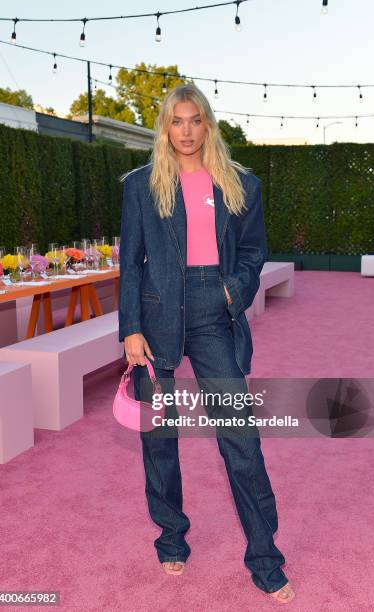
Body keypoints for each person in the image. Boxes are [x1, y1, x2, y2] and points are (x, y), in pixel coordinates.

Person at [118, 83, 295, 604]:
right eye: (177, 121)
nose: (187, 131)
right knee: (159, 437)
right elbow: (130, 263)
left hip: (214, 312)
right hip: (154, 316)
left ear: (208, 123)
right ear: (165, 127)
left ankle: (265, 557)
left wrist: (229, 291)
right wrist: (130, 328)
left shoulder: (240, 183)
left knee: (240, 439)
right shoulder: (141, 185)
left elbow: (254, 253)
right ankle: (172, 535)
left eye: (195, 120)